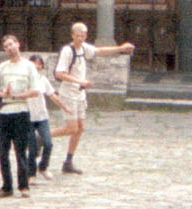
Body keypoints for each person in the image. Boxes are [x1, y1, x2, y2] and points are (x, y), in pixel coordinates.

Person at [52, 21, 135, 173]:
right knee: (71, 128)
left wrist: (120, 48)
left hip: (79, 94)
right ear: (72, 35)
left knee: (79, 128)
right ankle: (43, 137)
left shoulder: (84, 48)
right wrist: (80, 81)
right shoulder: (67, 51)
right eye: (77, 36)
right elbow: (59, 73)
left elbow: (99, 51)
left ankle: (69, 161)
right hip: (69, 93)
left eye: (83, 36)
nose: (80, 39)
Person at [0, 33, 40, 197]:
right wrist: (2, 94)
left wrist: (17, 95)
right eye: (6, 46)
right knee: (3, 151)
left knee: (20, 151)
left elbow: (35, 90)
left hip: (21, 111)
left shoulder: (29, 66)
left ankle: (23, 186)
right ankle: (7, 186)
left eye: (11, 44)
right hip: (4, 113)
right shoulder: (2, 67)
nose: (9, 48)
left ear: (18, 44)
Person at [25, 54, 65, 181]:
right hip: (28, 117)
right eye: (34, 63)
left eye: (39, 63)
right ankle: (31, 174)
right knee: (32, 148)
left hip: (42, 117)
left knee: (48, 143)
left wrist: (64, 107)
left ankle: (43, 167)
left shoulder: (43, 80)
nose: (37, 66)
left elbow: (52, 95)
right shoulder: (24, 79)